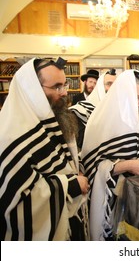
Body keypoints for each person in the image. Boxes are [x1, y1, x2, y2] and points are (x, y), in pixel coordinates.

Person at [0, 57, 89, 240]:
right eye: (57, 87)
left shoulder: (55, 120)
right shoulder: (10, 136)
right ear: (31, 91)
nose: (64, 93)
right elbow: (16, 201)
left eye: (65, 85)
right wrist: (70, 185)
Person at [81, 69, 139, 240]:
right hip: (117, 206)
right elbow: (92, 165)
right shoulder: (102, 122)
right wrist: (128, 165)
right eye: (138, 97)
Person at [69, 68, 117, 149]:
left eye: (115, 85)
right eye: (109, 84)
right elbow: (81, 141)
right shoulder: (80, 109)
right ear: (101, 86)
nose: (112, 88)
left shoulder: (118, 111)